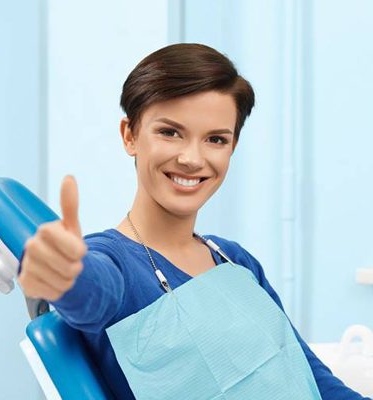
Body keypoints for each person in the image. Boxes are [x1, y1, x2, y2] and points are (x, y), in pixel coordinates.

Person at [19, 43, 369, 399]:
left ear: (231, 148)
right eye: (170, 132)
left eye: (216, 139)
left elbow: (309, 376)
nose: (192, 158)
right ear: (130, 135)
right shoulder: (112, 263)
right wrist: (67, 277)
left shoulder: (235, 260)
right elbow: (93, 294)